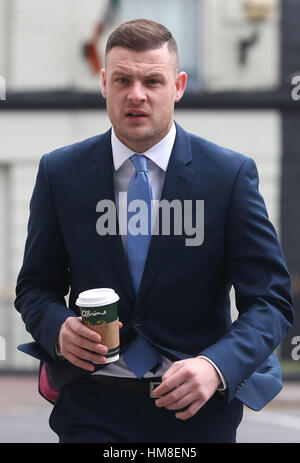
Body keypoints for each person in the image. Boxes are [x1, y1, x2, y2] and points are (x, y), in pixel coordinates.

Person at [15, 19, 294, 443]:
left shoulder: (229, 176)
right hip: (92, 407)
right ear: (104, 84)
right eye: (123, 79)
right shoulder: (59, 173)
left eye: (153, 81)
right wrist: (57, 328)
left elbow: (270, 301)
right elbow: (35, 287)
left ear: (178, 86)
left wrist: (215, 366)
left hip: (197, 413)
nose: (137, 94)